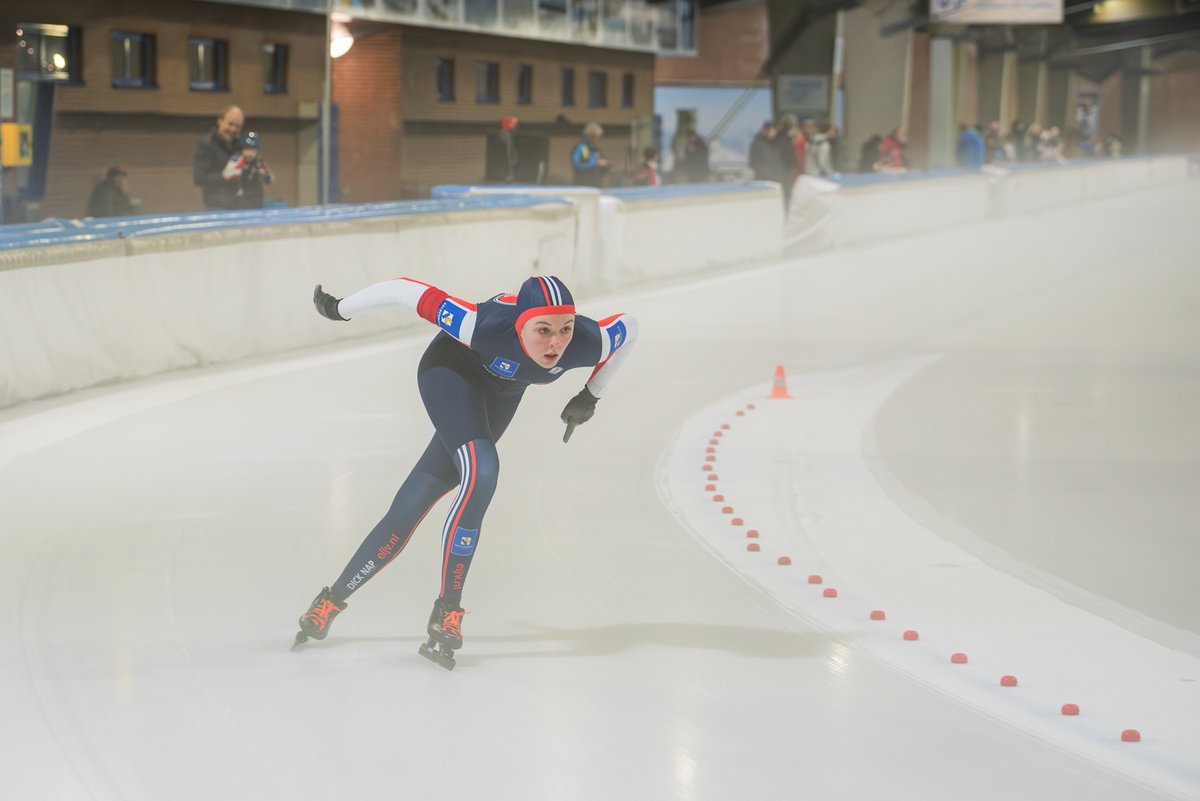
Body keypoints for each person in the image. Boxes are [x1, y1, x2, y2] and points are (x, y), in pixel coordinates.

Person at [295, 274, 639, 668]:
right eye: (542, 330)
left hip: (500, 395)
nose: (556, 343)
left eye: (565, 329)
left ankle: (330, 601)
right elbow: (406, 290)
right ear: (519, 323)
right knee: (482, 471)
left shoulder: (589, 342)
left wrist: (591, 395)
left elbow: (630, 328)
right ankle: (448, 611)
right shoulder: (482, 324)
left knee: (414, 502)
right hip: (450, 374)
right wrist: (340, 308)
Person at [193, 105, 245, 210]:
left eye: (237, 126)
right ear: (220, 121)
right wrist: (224, 176)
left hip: (239, 205)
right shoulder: (206, 144)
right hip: (217, 207)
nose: (233, 129)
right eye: (230, 124)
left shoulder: (240, 145)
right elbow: (199, 178)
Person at [221, 131, 274, 209]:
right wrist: (243, 172)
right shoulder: (236, 160)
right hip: (239, 200)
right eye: (247, 149)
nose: (250, 153)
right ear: (242, 149)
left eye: (253, 150)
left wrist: (263, 176)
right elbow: (226, 175)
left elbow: (270, 178)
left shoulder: (259, 162)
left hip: (256, 200)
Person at [571, 122, 609, 187]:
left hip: (596, 184)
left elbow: (603, 164)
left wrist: (605, 165)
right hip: (584, 184)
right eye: (595, 136)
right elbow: (579, 163)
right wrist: (596, 162)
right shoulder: (583, 147)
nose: (596, 138)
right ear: (589, 135)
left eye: (598, 136)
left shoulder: (595, 149)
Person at [499, 115, 520, 183]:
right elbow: (509, 149)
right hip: (506, 136)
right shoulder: (506, 134)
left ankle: (511, 174)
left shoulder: (509, 133)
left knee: (512, 156)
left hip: (507, 135)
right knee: (510, 156)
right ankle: (511, 175)